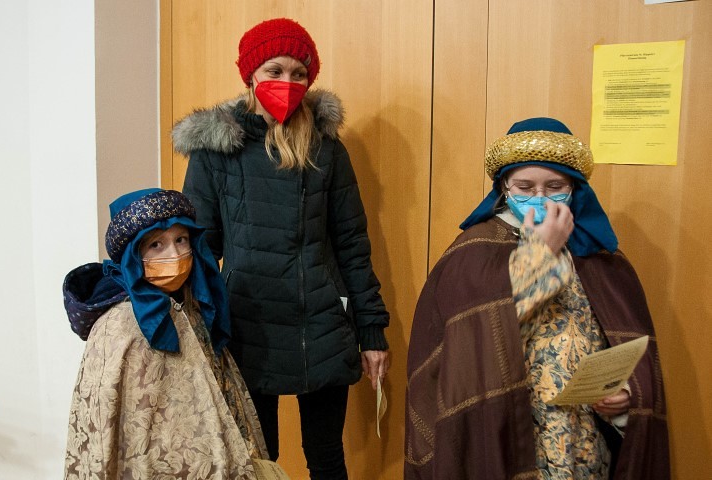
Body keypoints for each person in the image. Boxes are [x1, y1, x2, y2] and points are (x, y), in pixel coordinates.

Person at [172, 18, 390, 480]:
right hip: (249, 328)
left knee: (326, 457)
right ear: (251, 75)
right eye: (274, 70)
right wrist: (194, 329)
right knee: (260, 460)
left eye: (298, 73)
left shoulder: (327, 149)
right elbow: (201, 250)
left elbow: (352, 244)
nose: (287, 82)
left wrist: (372, 331)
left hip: (322, 324)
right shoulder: (215, 152)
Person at [404, 118, 669, 479]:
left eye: (555, 186)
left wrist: (625, 399)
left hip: (584, 447)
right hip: (507, 440)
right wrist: (542, 253)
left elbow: (630, 354)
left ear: (575, 189)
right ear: (503, 188)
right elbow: (472, 345)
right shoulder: (473, 252)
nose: (540, 198)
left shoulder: (602, 258)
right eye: (525, 187)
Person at [63, 188, 269, 479]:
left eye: (181, 240)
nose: (174, 254)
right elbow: (106, 424)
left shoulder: (194, 308)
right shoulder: (117, 326)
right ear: (133, 254)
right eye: (156, 244)